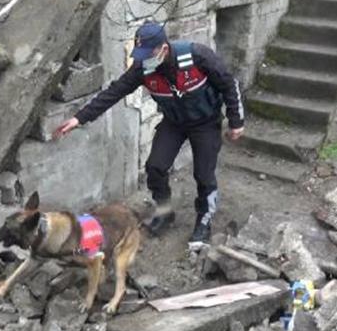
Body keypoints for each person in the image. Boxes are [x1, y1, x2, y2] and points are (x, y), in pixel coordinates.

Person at [53, 22, 244, 249]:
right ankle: (164, 212)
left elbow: (229, 85)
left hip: (205, 123)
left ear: (163, 48)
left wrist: (236, 121)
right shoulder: (143, 68)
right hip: (174, 123)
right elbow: (114, 92)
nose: (144, 59)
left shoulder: (197, 56)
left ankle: (204, 220)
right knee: (155, 167)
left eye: (148, 53)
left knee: (204, 174)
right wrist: (79, 118)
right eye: (140, 54)